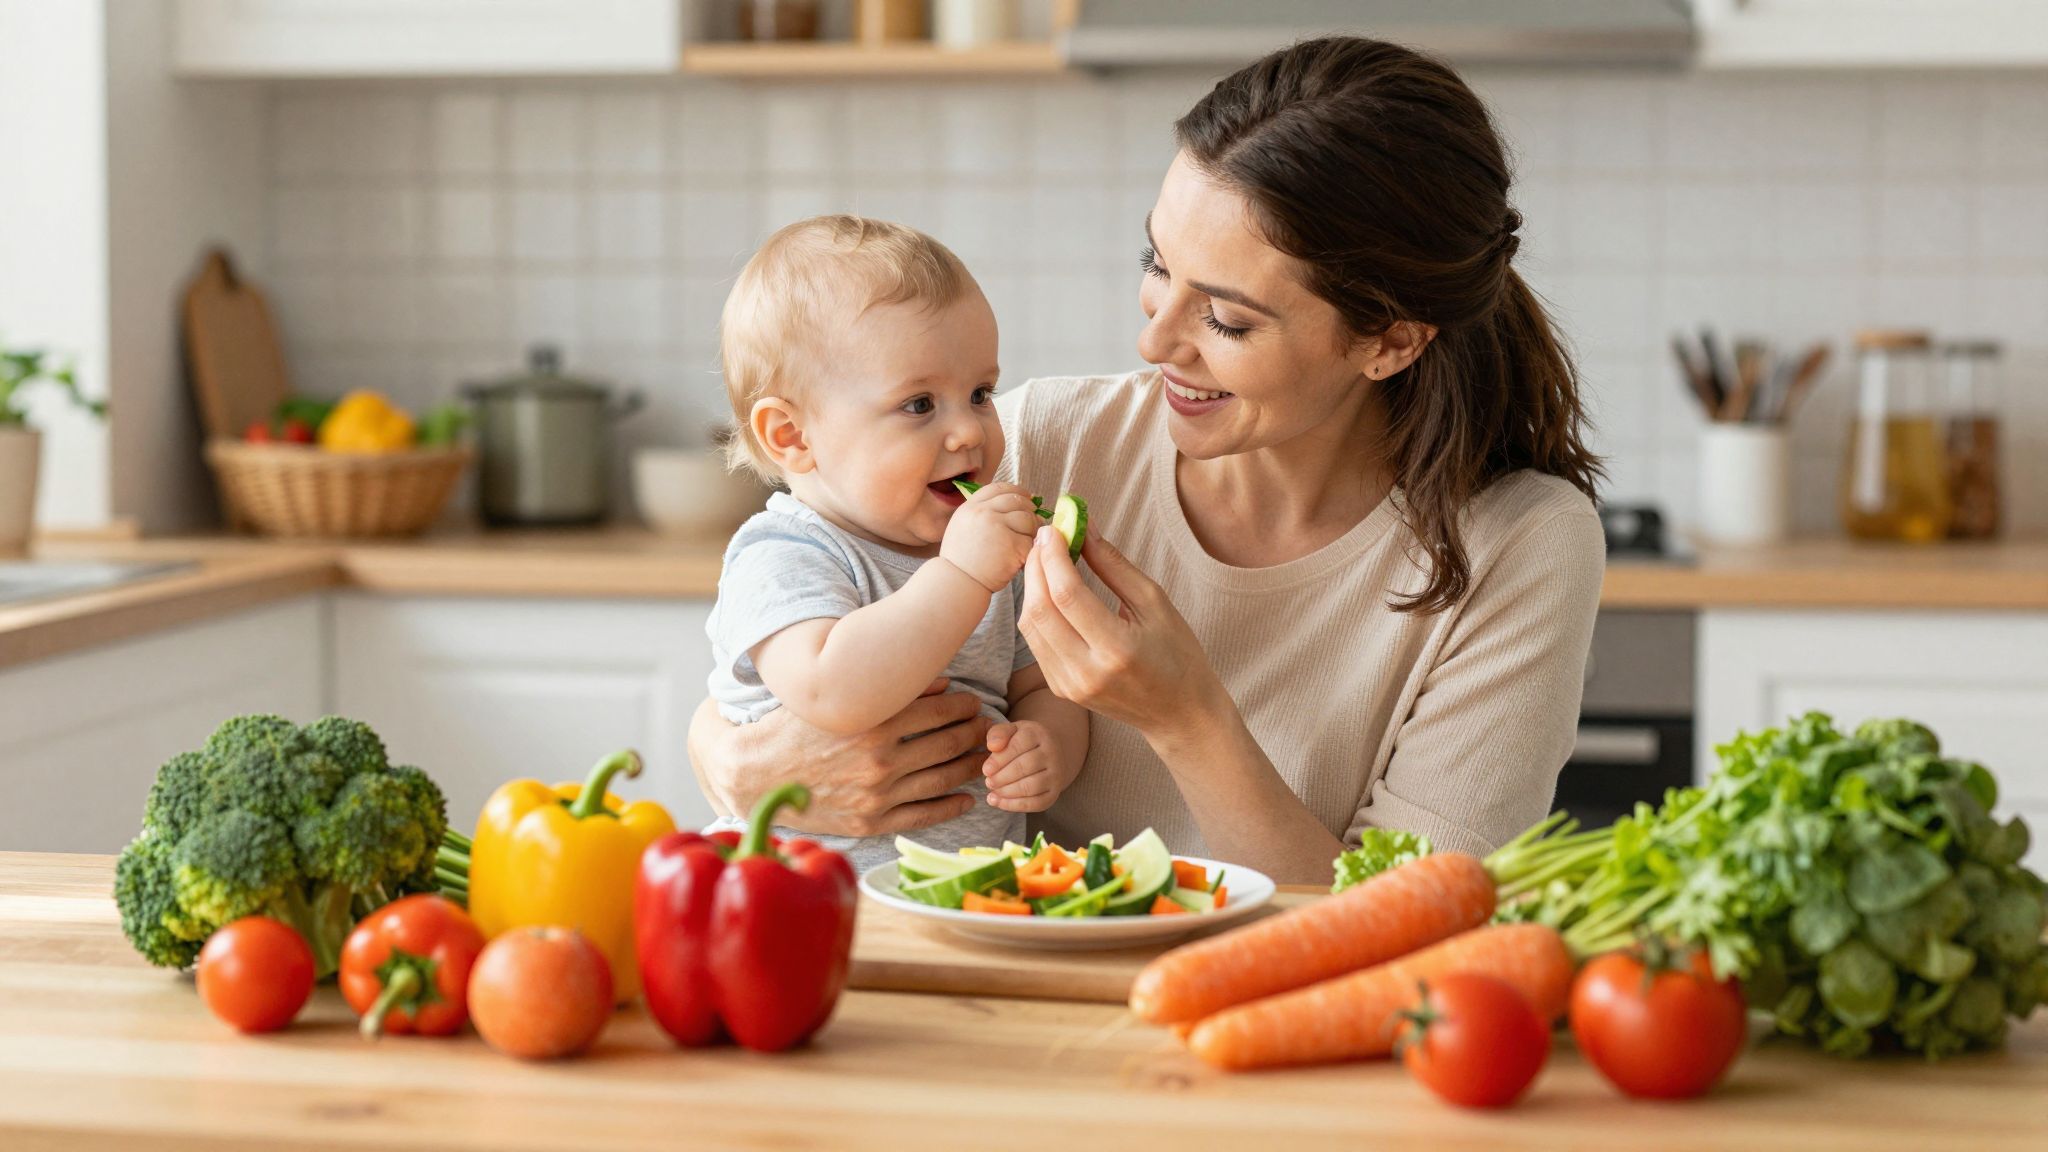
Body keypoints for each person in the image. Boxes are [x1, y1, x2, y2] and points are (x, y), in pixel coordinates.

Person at [691, 38, 1606, 884]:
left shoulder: (1520, 545)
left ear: (1390, 340)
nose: (1154, 341)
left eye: (1227, 319)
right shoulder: (1038, 444)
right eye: (1158, 265)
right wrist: (735, 764)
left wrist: (1187, 718)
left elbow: (1411, 922)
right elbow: (776, 651)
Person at [702, 215, 1090, 872]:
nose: (969, 432)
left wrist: (1049, 744)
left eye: (980, 393)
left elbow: (1043, 684)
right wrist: (964, 575)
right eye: (920, 405)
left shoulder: (983, 551)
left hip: (968, 897)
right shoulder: (781, 554)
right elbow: (833, 690)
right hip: (804, 899)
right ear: (792, 436)